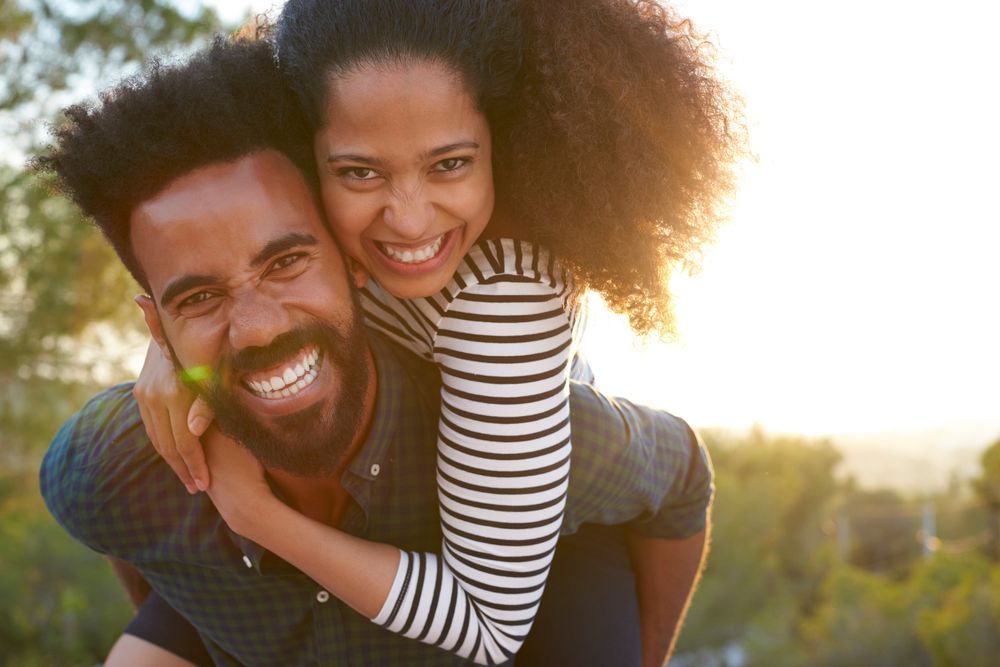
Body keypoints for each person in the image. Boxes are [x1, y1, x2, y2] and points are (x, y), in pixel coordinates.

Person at [36, 38, 713, 666]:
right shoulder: (107, 466)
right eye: (198, 298)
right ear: (156, 327)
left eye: (287, 262)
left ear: (353, 261)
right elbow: (121, 526)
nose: (259, 328)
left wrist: (646, 654)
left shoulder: (515, 434)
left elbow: (681, 478)